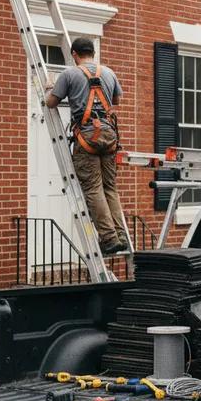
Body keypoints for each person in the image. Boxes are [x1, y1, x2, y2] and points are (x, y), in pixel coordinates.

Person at [45, 37, 128, 255]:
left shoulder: (69, 74)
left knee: (93, 187)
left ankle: (109, 238)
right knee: (110, 187)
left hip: (87, 137)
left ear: (74, 54)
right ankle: (120, 235)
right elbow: (117, 100)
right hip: (109, 136)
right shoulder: (109, 73)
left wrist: (50, 88)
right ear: (93, 52)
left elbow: (51, 102)